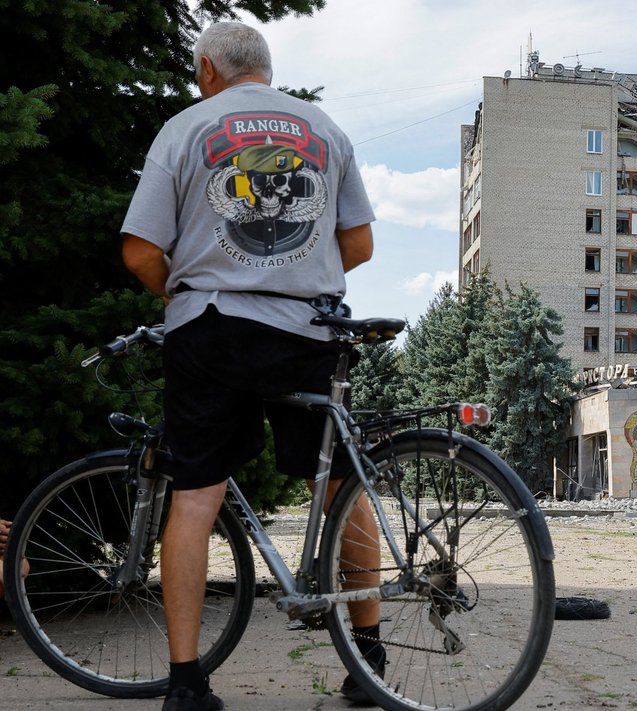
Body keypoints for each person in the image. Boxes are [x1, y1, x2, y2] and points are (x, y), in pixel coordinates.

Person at [121, 22, 381, 711]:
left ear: (208, 67)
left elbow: (141, 251)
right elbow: (358, 241)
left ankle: (186, 683)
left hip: (211, 329)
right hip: (306, 328)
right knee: (340, 487)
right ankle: (370, 659)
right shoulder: (325, 130)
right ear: (265, 70)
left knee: (197, 495)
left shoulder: (184, 127)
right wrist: (298, 270)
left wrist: (183, 287)